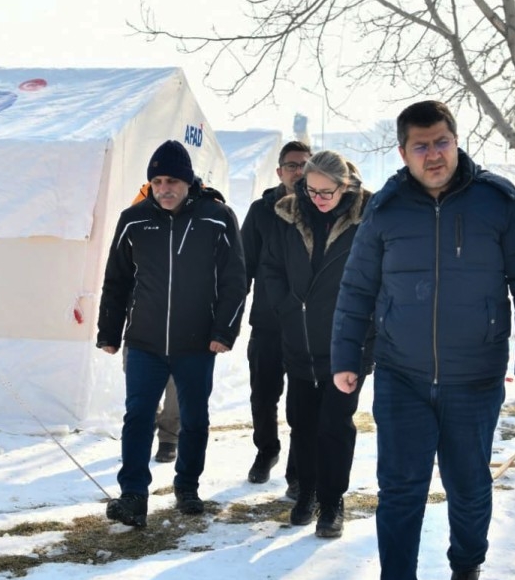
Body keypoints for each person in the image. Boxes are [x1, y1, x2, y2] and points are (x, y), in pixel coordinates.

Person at [331, 100, 515, 580]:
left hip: (474, 375)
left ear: (456, 140)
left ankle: (466, 563)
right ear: (403, 152)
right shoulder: (384, 210)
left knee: (468, 484)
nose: (434, 154)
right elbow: (357, 289)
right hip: (402, 375)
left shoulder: (496, 202)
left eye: (441, 141)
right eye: (421, 146)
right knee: (399, 494)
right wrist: (345, 356)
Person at [97, 139, 247, 528]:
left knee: (194, 419)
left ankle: (187, 486)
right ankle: (133, 495)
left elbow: (235, 280)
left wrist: (224, 331)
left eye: (172, 181)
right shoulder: (133, 219)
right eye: (158, 180)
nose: (165, 188)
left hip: (197, 343)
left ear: (188, 180)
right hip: (144, 341)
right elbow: (116, 280)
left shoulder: (217, 217)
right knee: (138, 417)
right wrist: (109, 331)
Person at [260, 150, 372, 538]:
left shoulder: (365, 220)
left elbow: (378, 281)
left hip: (346, 344)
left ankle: (332, 500)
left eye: (328, 191)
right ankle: (306, 492)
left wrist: (366, 343)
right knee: (302, 423)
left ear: (346, 186)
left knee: (335, 425)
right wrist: (287, 305)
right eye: (313, 190)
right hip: (299, 338)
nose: (320, 198)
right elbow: (270, 267)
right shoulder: (289, 216)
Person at [241, 140, 311, 493]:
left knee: (302, 401)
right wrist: (228, 320)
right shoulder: (260, 211)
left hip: (306, 326)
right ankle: (266, 450)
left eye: (304, 165)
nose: (298, 171)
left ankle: (297, 474)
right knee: (262, 395)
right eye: (292, 165)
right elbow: (244, 268)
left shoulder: (321, 209)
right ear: (280, 171)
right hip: (267, 322)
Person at [128, 182, 181, 463]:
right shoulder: (138, 210)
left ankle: (169, 436)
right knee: (137, 380)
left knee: (175, 383)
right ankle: (145, 423)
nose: (165, 187)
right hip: (141, 318)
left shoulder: (197, 216)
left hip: (183, 322)